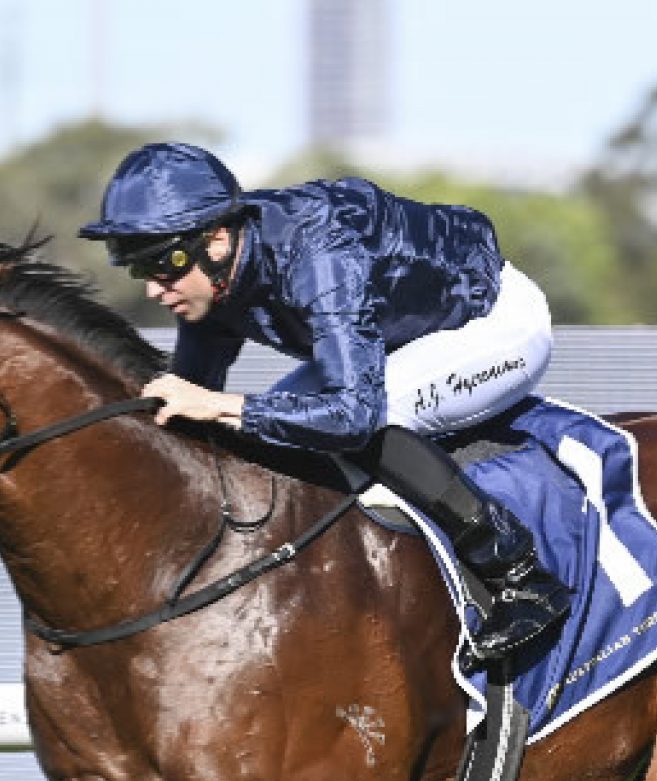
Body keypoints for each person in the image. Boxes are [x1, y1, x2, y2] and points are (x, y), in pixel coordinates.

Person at [79, 142, 572, 665]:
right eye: (139, 269)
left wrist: (223, 405)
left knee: (375, 421)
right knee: (270, 425)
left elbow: (352, 416)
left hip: (491, 321)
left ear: (218, 241)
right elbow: (186, 410)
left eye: (164, 264)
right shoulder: (210, 280)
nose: (156, 289)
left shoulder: (318, 254)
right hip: (395, 334)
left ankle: (521, 577)